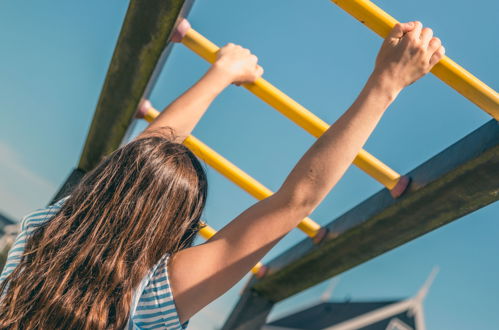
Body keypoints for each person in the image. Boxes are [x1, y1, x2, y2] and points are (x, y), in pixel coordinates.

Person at [0, 21, 444, 329]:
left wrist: (220, 73)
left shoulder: (42, 233)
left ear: (103, 184)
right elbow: (296, 201)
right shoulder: (150, 296)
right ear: (173, 227)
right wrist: (387, 84)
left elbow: (142, 156)